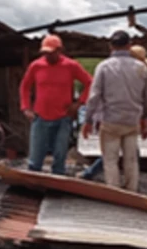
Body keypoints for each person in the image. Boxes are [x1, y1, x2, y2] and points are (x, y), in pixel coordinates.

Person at [82, 31, 147, 192]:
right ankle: (132, 190)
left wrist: (87, 120)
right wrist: (145, 119)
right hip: (132, 121)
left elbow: (94, 96)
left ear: (111, 47)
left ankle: (114, 192)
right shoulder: (142, 68)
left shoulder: (104, 67)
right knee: (131, 159)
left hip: (111, 121)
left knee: (110, 160)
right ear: (129, 45)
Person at [19, 34, 93, 175]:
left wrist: (78, 104)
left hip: (63, 117)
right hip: (40, 117)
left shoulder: (71, 65)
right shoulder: (36, 66)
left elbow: (89, 82)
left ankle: (57, 188)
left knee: (59, 157)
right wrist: (26, 108)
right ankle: (33, 185)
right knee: (35, 158)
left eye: (51, 53)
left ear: (59, 50)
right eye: (45, 53)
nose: (48, 56)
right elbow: (25, 87)